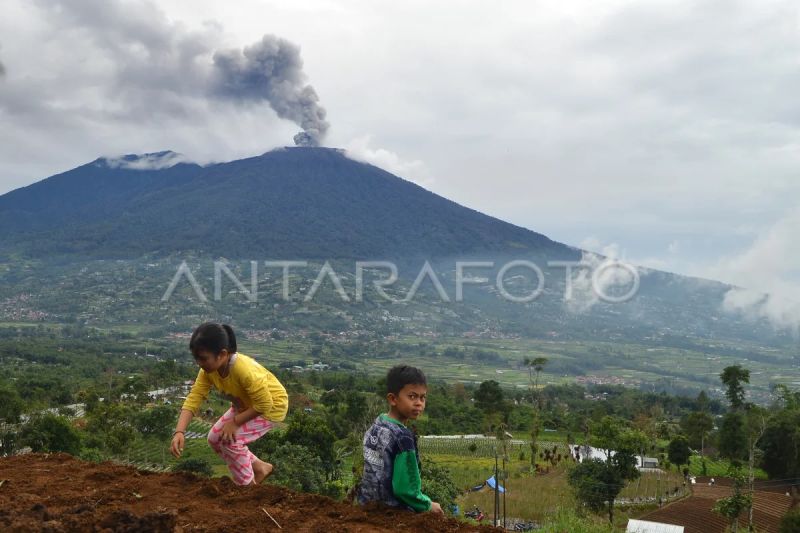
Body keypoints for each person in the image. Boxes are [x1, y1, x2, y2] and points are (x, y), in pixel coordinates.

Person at [170, 322, 288, 485]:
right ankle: (260, 467)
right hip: (245, 405)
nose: (199, 363)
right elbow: (194, 397)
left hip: (271, 407)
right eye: (196, 358)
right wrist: (179, 432)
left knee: (230, 440)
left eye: (203, 358)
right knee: (214, 438)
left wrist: (235, 422)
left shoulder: (242, 370)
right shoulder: (207, 371)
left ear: (222, 354)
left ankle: (246, 487)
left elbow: (264, 404)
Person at [357, 365, 443, 514]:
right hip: (392, 512)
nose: (419, 403)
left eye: (422, 397)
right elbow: (405, 489)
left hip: (366, 506)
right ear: (393, 399)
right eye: (412, 396)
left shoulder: (376, 425)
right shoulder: (403, 438)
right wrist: (428, 505)